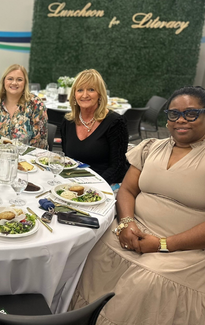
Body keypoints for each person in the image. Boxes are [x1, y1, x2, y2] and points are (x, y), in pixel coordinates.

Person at [71, 85, 205, 324]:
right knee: (88, 248)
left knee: (147, 280)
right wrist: (127, 223)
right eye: (173, 114)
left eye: (191, 113)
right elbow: (127, 190)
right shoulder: (151, 147)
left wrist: (163, 244)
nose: (181, 120)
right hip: (132, 231)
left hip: (184, 251)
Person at [60, 69, 128, 184]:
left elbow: (118, 167)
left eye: (91, 90)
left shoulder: (115, 122)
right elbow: (67, 160)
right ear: (74, 95)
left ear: (100, 94)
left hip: (105, 183)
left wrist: (93, 185)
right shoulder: (68, 122)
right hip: (74, 182)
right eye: (80, 90)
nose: (85, 95)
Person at [0, 64, 47, 149]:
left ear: (25, 83)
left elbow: (40, 144)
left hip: (25, 159)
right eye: (10, 79)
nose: (14, 83)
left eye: (19, 80)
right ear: (4, 81)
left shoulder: (36, 105)